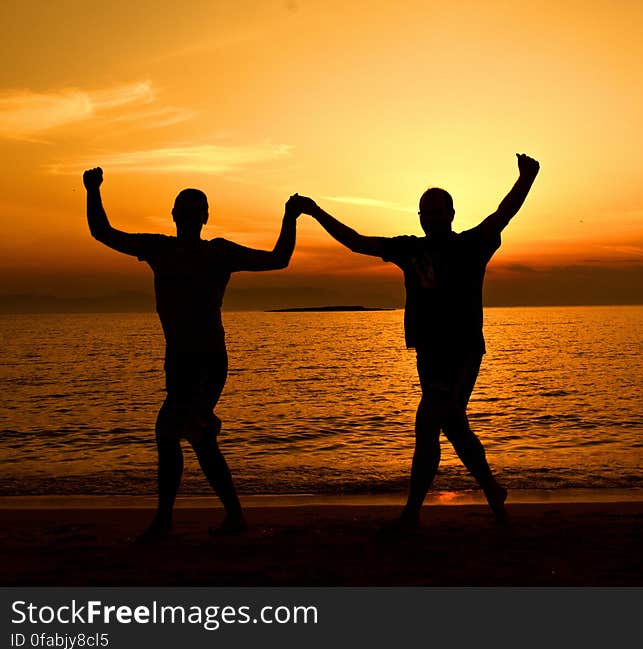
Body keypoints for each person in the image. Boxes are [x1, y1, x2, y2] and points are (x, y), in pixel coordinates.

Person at [299, 153, 540, 528]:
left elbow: (503, 213)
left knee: (428, 423)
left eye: (436, 211)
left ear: (451, 213)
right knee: (454, 424)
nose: (430, 218)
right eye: (424, 212)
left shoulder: (471, 245)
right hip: (427, 351)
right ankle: (493, 490)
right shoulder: (410, 248)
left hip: (461, 350)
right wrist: (315, 212)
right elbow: (357, 242)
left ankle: (412, 513)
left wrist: (527, 177)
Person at [83, 167, 302, 540]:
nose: (188, 216)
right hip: (179, 360)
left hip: (208, 360)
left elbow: (279, 258)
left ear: (204, 217)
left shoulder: (219, 252)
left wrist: (289, 217)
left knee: (170, 431)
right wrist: (92, 191)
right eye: (183, 210)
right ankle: (229, 517)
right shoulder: (159, 248)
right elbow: (103, 233)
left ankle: (167, 520)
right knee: (197, 438)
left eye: (194, 210)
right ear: (174, 216)